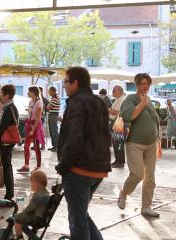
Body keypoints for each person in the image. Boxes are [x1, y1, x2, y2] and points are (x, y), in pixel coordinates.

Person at [56, 67, 111, 240]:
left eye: (66, 81)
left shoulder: (76, 102)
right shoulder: (99, 101)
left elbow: (74, 137)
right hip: (98, 169)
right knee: (81, 213)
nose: (64, 85)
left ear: (75, 83)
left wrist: (64, 165)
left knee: (77, 220)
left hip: (79, 169)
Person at [117, 73, 160, 218]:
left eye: (147, 83)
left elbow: (155, 120)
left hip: (151, 144)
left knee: (150, 178)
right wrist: (142, 103)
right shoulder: (131, 99)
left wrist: (157, 137)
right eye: (142, 83)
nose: (145, 86)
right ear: (136, 85)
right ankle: (124, 193)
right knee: (137, 174)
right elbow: (129, 116)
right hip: (134, 143)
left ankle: (146, 207)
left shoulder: (149, 101)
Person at [0, 84, 19, 205]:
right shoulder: (12, 107)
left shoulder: (8, 108)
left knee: (6, 166)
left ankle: (9, 193)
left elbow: (3, 125)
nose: (0, 96)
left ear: (7, 95)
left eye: (2, 94)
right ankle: (9, 192)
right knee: (7, 165)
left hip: (5, 141)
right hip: (9, 140)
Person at [13, 170, 50, 240]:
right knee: (22, 219)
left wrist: (21, 213)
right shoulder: (46, 194)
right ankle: (32, 236)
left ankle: (19, 237)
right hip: (42, 218)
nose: (31, 185)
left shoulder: (37, 196)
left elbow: (29, 209)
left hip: (35, 218)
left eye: (32, 183)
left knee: (17, 218)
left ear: (37, 184)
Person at [18, 86, 45, 173]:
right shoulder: (31, 101)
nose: (27, 93)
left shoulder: (39, 102)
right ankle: (26, 165)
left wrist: (33, 129)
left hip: (35, 126)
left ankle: (38, 166)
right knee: (26, 146)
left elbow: (38, 117)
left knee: (36, 147)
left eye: (28, 91)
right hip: (29, 124)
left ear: (33, 92)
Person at [109, 85, 127, 168]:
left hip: (118, 122)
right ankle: (118, 160)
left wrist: (108, 110)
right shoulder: (119, 99)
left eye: (114, 90)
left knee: (118, 143)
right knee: (116, 143)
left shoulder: (122, 99)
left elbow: (117, 113)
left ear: (119, 91)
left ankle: (120, 162)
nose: (112, 92)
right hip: (117, 122)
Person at [46, 86, 60, 152]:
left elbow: (49, 107)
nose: (48, 92)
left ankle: (56, 146)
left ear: (52, 91)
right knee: (52, 131)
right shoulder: (54, 97)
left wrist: (47, 106)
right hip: (52, 115)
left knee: (54, 131)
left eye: (49, 91)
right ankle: (54, 146)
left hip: (53, 116)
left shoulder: (54, 98)